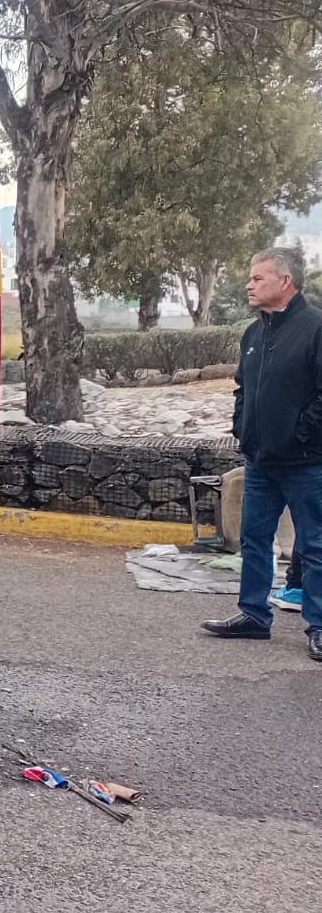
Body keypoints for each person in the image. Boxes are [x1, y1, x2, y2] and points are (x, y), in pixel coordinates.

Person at [201, 247, 322, 661]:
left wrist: (297, 436)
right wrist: (243, 429)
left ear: (285, 281)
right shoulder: (254, 333)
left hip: (306, 463)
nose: (248, 285)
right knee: (254, 539)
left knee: (314, 545)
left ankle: (319, 626)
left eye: (258, 278)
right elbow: (242, 388)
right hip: (259, 461)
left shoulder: (316, 327)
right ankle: (253, 614)